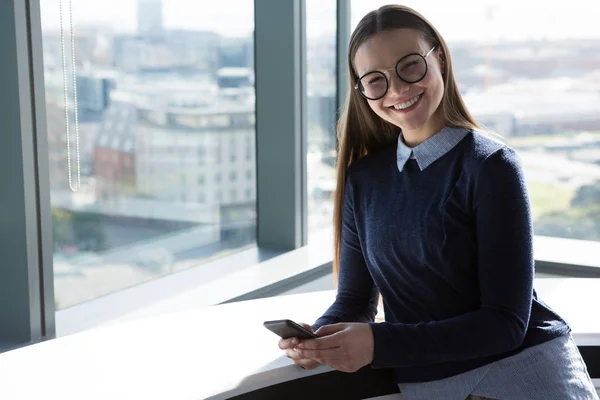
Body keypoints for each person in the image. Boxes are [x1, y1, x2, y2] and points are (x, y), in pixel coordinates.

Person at [278, 4, 599, 400]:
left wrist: (379, 343)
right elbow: (355, 300)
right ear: (362, 91)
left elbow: (505, 323)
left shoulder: (490, 165)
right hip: (430, 388)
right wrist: (318, 337)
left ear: (440, 59)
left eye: (410, 66)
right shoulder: (364, 179)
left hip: (524, 377)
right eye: (376, 80)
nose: (397, 89)